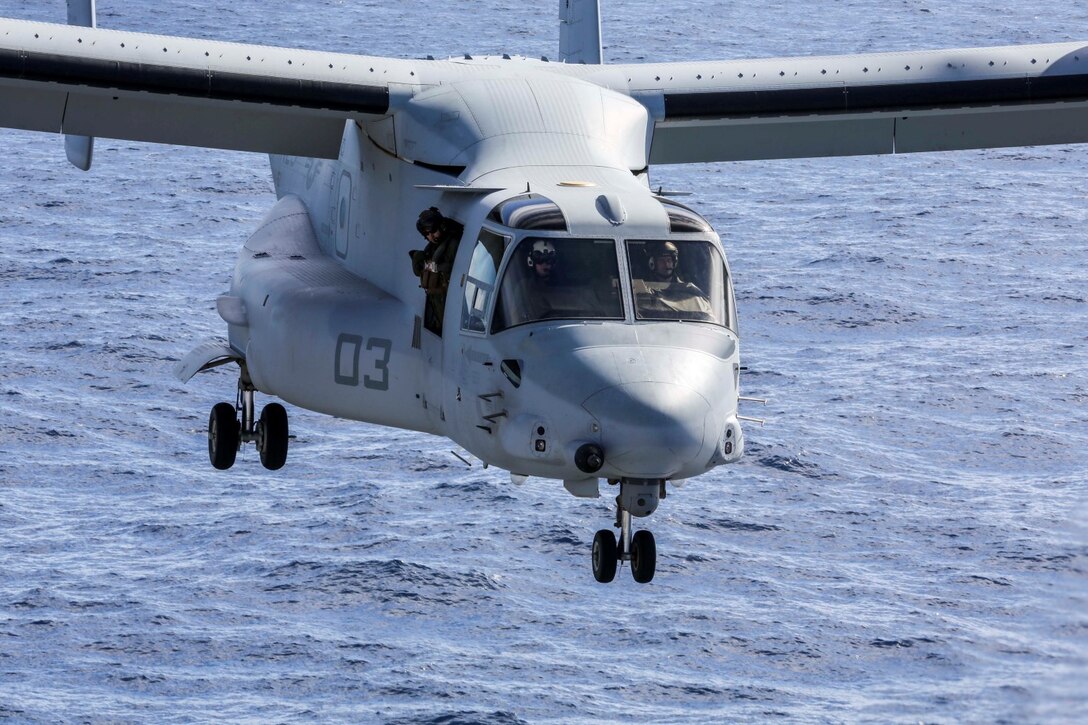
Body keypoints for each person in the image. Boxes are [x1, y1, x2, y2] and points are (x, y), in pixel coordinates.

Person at [410, 207, 463, 334]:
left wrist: (432, 267)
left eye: (433, 231)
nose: (431, 236)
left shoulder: (452, 243)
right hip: (437, 301)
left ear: (442, 227)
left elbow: (452, 267)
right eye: (427, 234)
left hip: (448, 301)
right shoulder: (434, 247)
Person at [643, 241, 714, 318]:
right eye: (661, 261)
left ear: (675, 262)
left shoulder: (688, 290)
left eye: (669, 260)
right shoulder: (645, 289)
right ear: (652, 263)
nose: (666, 264)